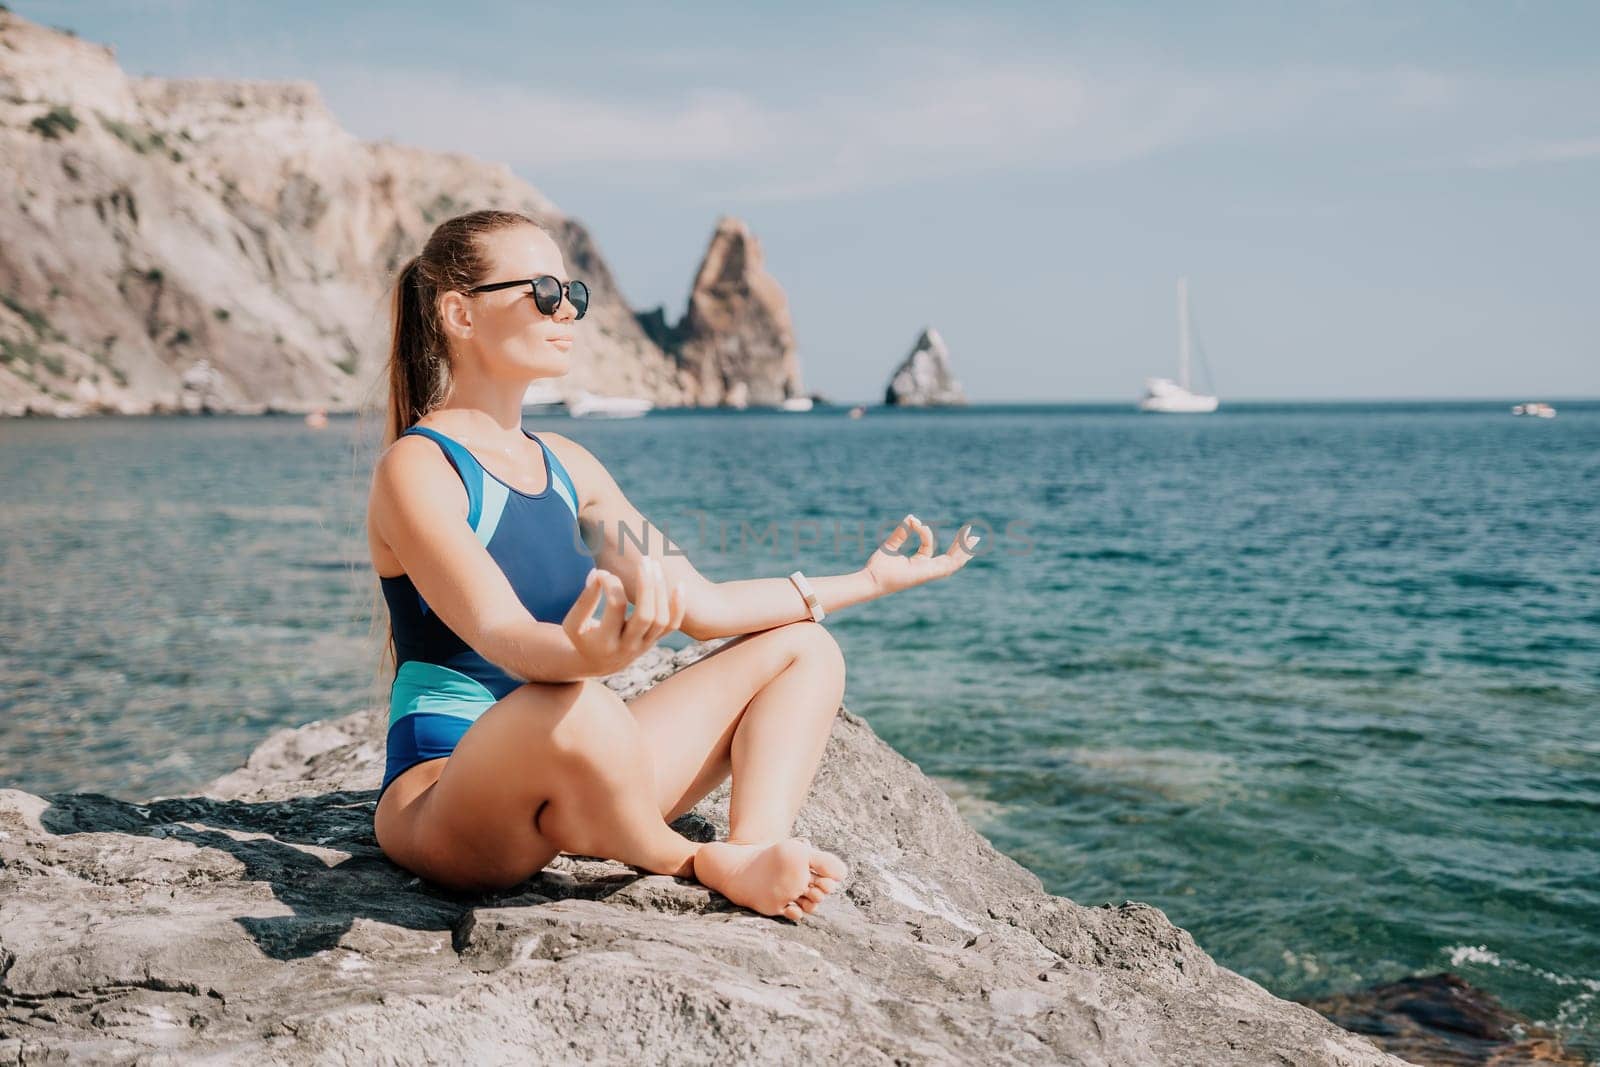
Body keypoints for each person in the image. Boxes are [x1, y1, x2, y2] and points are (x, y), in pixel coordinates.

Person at [368, 209, 980, 921]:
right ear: (458, 314)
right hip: (451, 802)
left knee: (804, 650)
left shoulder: (571, 465)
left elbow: (702, 605)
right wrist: (579, 654)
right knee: (578, 702)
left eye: (574, 293)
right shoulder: (418, 468)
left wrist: (867, 581)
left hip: (579, 773)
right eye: (542, 291)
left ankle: (754, 846)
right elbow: (500, 630)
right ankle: (689, 859)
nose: (567, 308)